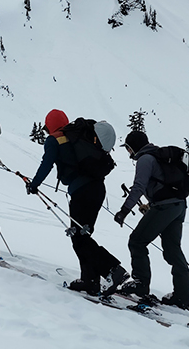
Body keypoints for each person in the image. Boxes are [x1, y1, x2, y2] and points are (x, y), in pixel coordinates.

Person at [26, 109, 128, 295]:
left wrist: (34, 185)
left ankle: (113, 270)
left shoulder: (54, 139)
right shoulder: (78, 136)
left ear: (49, 125)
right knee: (83, 235)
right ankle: (89, 281)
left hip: (82, 192)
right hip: (97, 190)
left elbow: (46, 164)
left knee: (79, 238)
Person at [113, 130, 189, 309]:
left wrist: (124, 211)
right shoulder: (158, 156)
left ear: (133, 147)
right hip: (178, 206)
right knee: (173, 249)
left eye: (128, 148)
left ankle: (140, 284)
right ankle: (182, 296)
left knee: (137, 241)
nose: (128, 153)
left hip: (164, 207)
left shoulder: (145, 159)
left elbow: (138, 187)